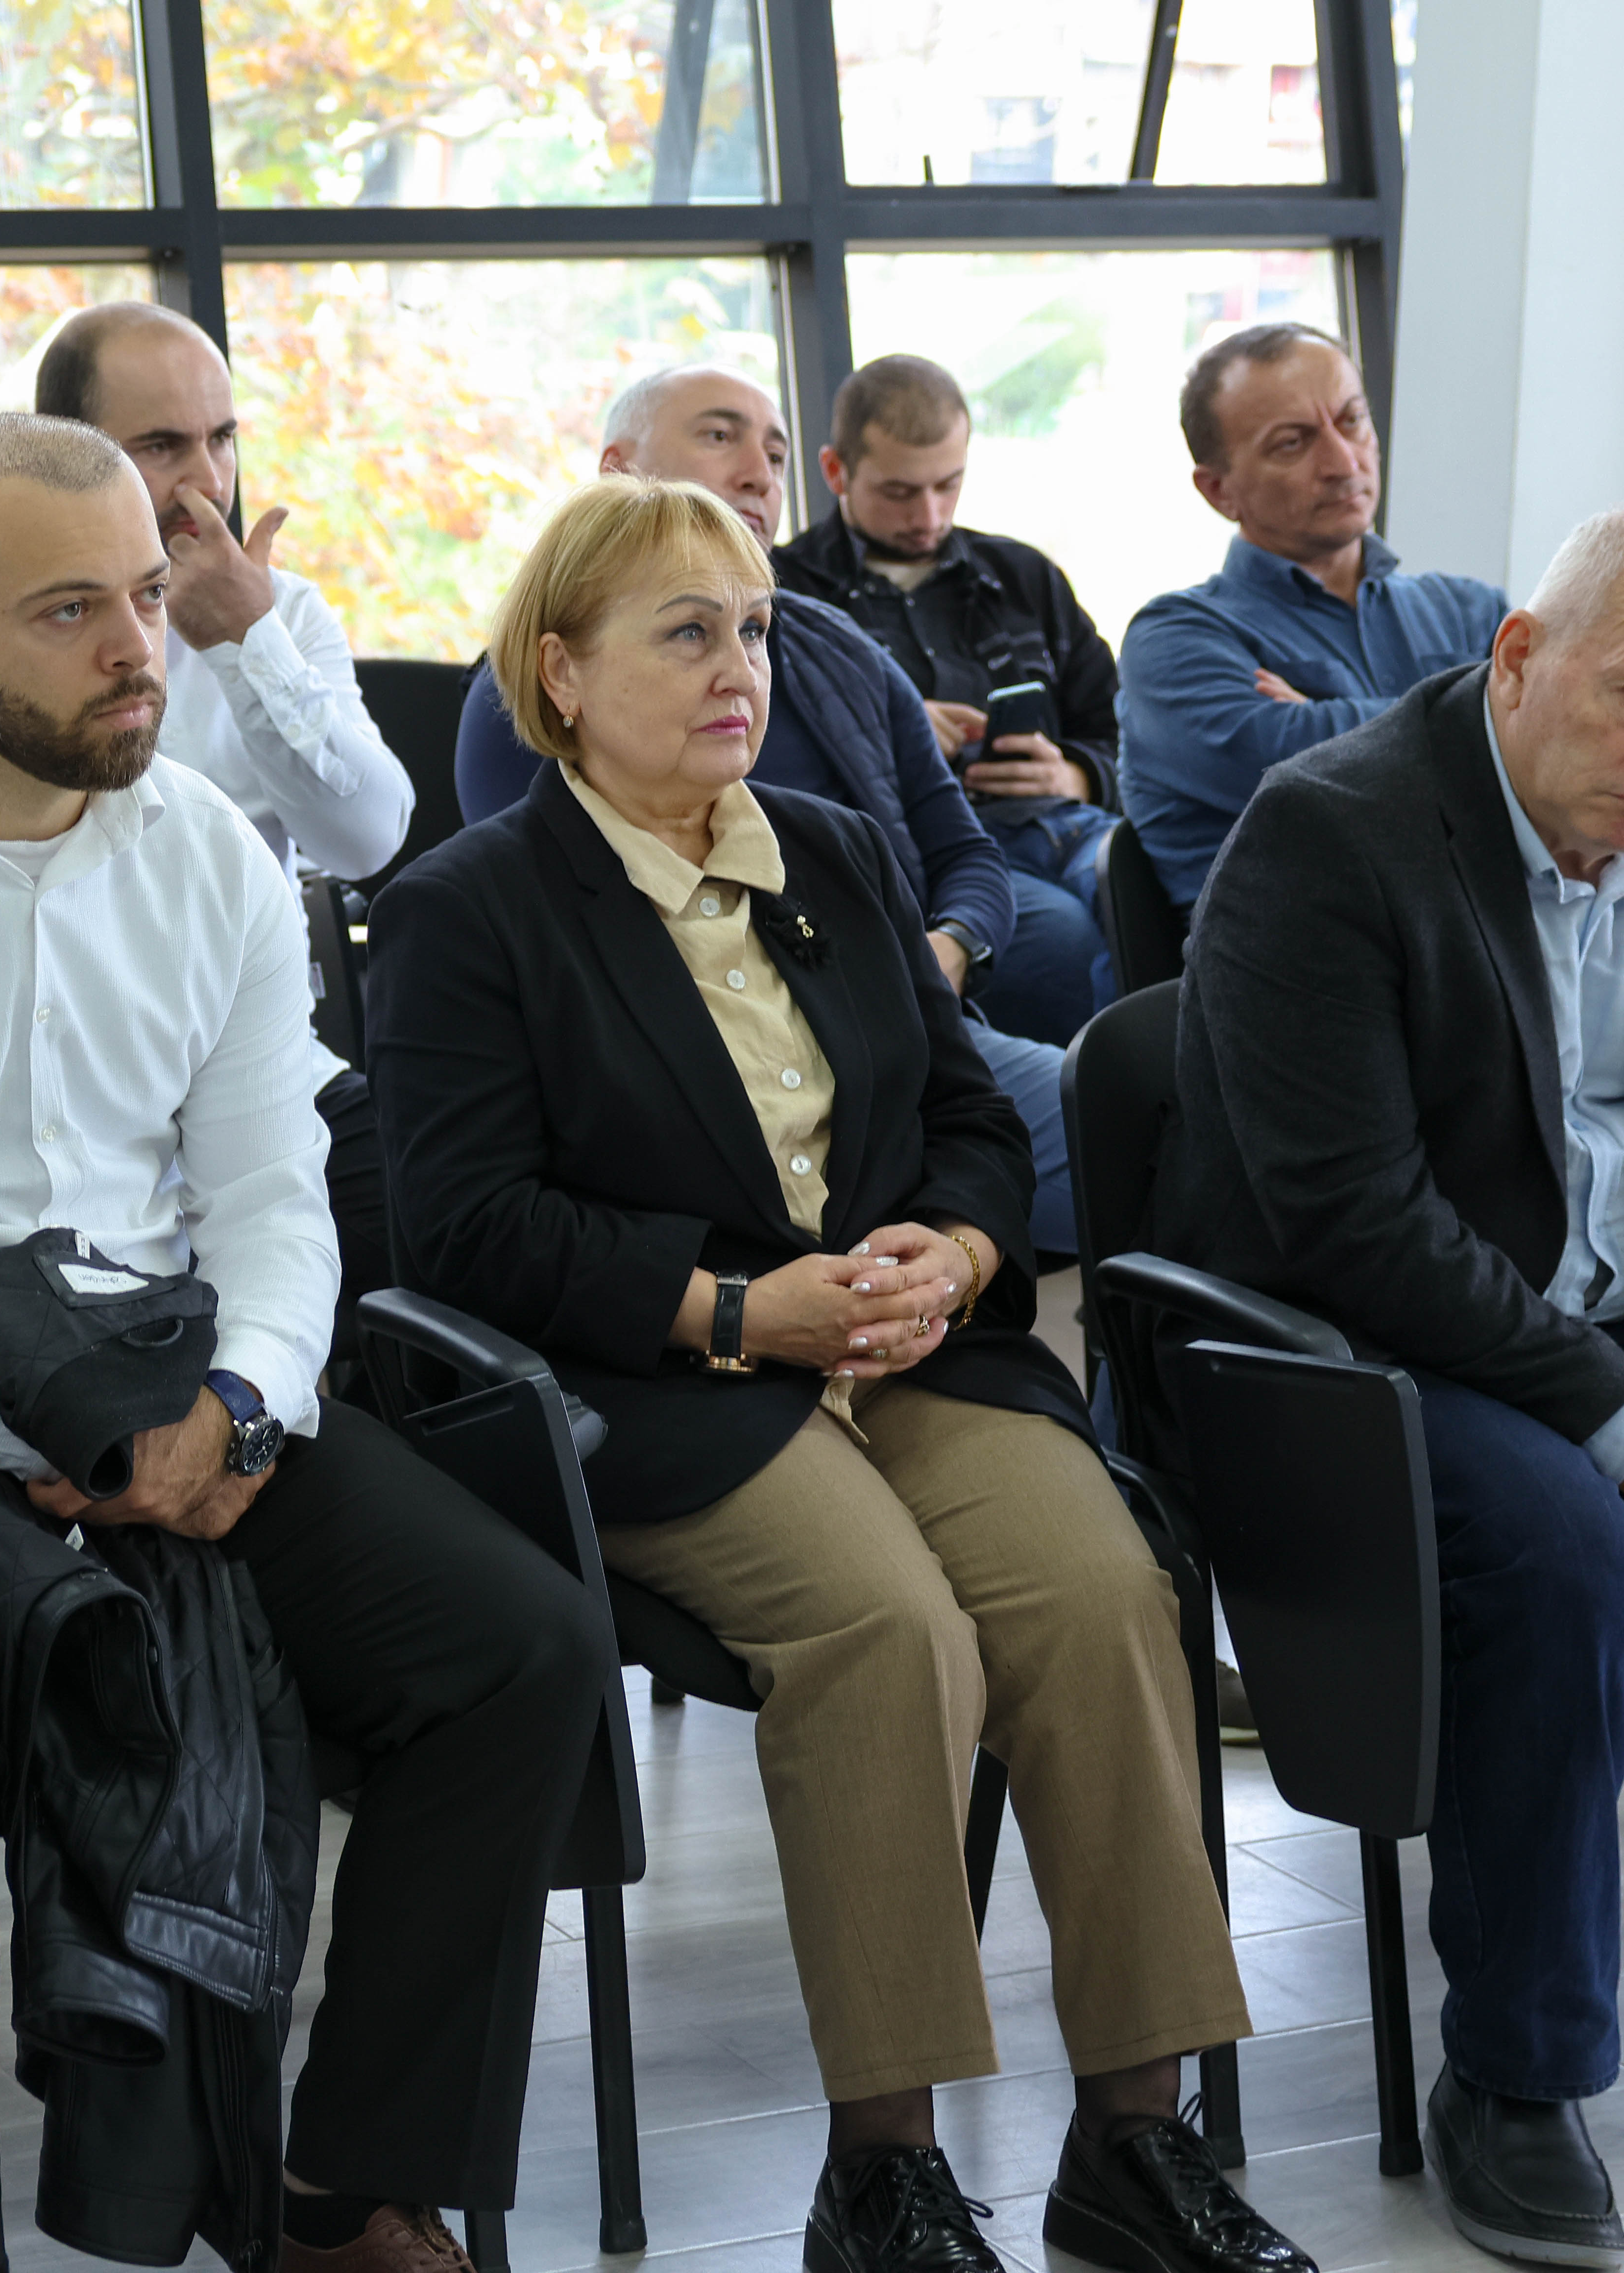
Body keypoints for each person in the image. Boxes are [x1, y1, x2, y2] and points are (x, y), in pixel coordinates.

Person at [0, 411, 609, 2273]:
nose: (135, 650)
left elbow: (272, 1199)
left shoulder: (210, 856)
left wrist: (239, 1401)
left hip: (162, 1374)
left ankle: (334, 2193)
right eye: (68, 611)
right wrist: (86, 1444)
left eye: (150, 598)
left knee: (522, 1647)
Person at [372, 479, 1310, 2273]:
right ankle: (880, 2169)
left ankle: (1134, 2139)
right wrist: (738, 1309)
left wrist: (955, 1252)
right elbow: (466, 1230)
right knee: (890, 1631)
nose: (739, 667)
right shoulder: (467, 908)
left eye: (752, 628)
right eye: (685, 633)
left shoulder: (832, 848)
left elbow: (965, 1113)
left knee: (1103, 1593)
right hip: (668, 1379)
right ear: (557, 673)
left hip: (907, 1348)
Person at [1161, 508, 1624, 2265]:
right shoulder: (1331, 834)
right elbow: (1354, 1225)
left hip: (1558, 1310)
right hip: (1330, 1359)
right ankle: (1512, 2074)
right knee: (1564, 1541)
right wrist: (1596, 1396)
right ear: (1516, 656)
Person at [456, 366, 1076, 1261]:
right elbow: (549, 935)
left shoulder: (841, 662)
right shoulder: (513, 727)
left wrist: (944, 954)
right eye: (720, 436)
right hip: (681, 1087)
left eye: (754, 631)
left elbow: (965, 857)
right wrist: (736, 1314)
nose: (757, 471)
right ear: (617, 470)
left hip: (894, 1030)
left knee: (1153, 1104)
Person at [35, 299, 412, 1353]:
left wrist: (249, 644)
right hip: (76, 1080)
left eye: (223, 438)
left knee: (410, 1228)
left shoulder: (281, 611)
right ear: (68, 453)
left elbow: (369, 838)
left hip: (259, 1061)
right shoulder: (11, 632)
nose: (206, 481)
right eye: (162, 446)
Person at [773, 352, 1121, 1035]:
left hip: (1071, 822)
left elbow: (1125, 729)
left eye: (948, 485)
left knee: (1173, 886)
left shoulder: (1024, 577)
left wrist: (1079, 773)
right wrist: (891, 726)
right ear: (836, 472)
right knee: (1067, 939)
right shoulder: (788, 599)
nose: (928, 515)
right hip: (935, 852)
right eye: (900, 492)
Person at [1119, 322, 1507, 905]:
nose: (1342, 461)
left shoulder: (1471, 610)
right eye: (1292, 443)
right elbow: (1306, 783)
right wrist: (1489, 709)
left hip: (1498, 936)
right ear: (1219, 490)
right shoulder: (1174, 640)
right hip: (1303, 950)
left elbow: (1564, 744)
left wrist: (1328, 721)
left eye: (1352, 420)